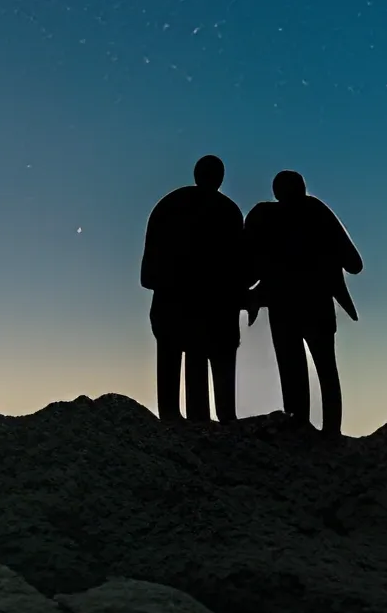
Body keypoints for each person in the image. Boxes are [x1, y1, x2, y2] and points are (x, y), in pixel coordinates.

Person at [245, 170, 361, 436]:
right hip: (313, 304)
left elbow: (248, 267)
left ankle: (300, 428)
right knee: (324, 368)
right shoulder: (315, 211)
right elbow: (353, 263)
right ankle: (329, 431)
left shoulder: (265, 216)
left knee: (293, 368)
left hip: (284, 306)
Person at [140, 155, 246, 423]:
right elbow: (237, 265)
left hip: (173, 304)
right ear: (220, 178)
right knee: (201, 362)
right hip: (210, 308)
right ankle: (207, 422)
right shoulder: (228, 211)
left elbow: (149, 267)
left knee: (173, 363)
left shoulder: (169, 205)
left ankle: (177, 421)